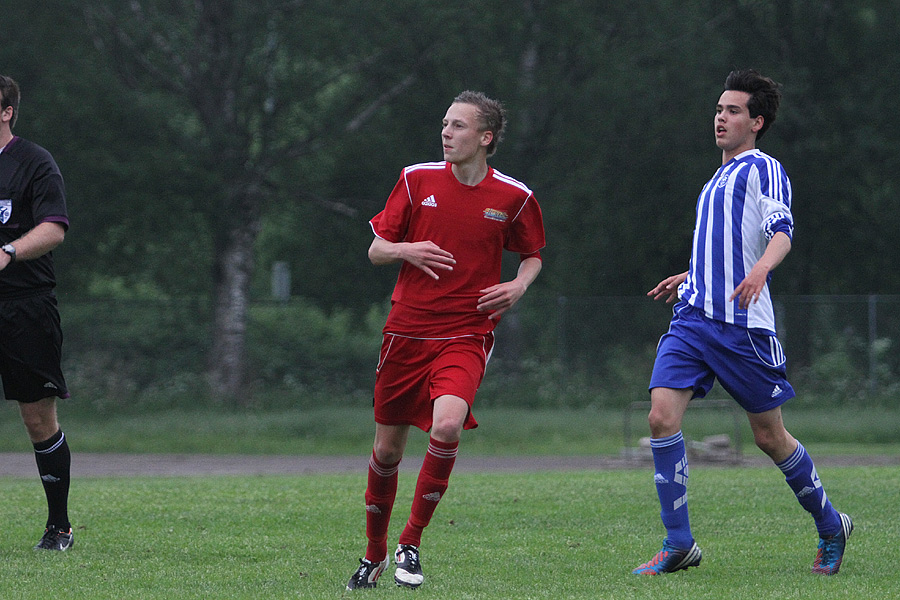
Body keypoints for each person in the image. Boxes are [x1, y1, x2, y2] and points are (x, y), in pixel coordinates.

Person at [634, 69, 852, 576]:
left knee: (769, 436)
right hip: (692, 318)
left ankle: (829, 524)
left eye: (732, 111)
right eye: (718, 109)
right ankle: (678, 543)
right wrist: (692, 274)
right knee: (661, 417)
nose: (721, 117)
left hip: (742, 328)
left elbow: (780, 233)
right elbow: (729, 246)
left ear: (756, 122)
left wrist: (761, 269)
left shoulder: (762, 167)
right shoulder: (716, 178)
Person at [346, 90, 545, 590]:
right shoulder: (416, 180)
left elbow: (533, 255)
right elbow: (376, 249)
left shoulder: (514, 197)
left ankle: (409, 544)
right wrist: (407, 249)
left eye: (458, 126)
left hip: (467, 331)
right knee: (388, 451)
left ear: (485, 137)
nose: (446, 133)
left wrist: (518, 286)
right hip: (405, 332)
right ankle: (372, 555)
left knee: (448, 427)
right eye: (444, 124)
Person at [0, 75, 74, 551]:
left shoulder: (34, 162)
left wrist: (7, 251)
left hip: (24, 307)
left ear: (5, 111)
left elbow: (54, 229)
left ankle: (59, 526)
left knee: (36, 419)